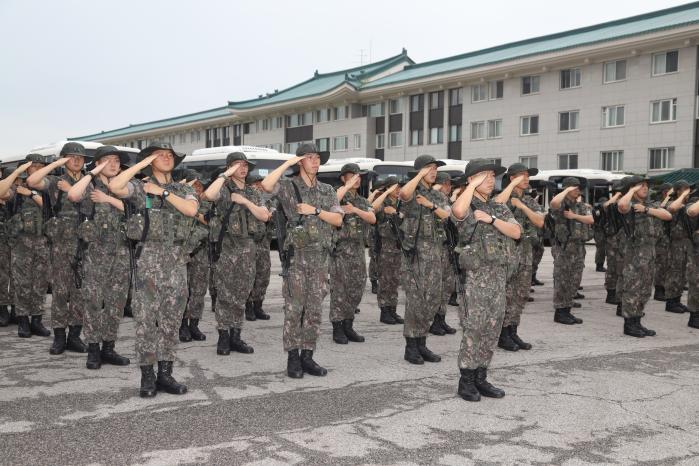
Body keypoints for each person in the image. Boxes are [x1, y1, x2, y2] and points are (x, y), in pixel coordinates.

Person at [109, 142, 198, 398]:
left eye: (170, 155)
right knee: (146, 321)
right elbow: (115, 187)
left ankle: (166, 375)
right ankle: (147, 377)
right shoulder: (139, 187)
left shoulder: (182, 188)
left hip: (177, 260)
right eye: (160, 155)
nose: (167, 158)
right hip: (149, 258)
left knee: (171, 320)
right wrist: (141, 166)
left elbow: (191, 209)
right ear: (149, 160)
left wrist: (163, 193)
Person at [261, 143, 343, 378]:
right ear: (300, 162)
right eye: (309, 157)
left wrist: (314, 211)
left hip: (321, 259)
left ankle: (308, 355)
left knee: (314, 310)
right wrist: (288, 163)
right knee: (294, 310)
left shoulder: (327, 190)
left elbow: (337, 220)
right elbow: (266, 186)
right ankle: (293, 358)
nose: (315, 161)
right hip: (297, 259)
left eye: (317, 157)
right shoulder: (289, 187)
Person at [451, 158, 521, 402]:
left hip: (499, 277)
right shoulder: (465, 205)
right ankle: (466, 380)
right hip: (475, 278)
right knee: (475, 328)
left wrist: (490, 219)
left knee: (492, 329)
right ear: (472, 179)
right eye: (485, 176)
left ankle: (481, 377)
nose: (492, 180)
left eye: (493, 176)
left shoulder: (498, 207)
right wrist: (471, 186)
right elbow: (458, 212)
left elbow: (516, 231)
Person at [66, 145, 132, 369]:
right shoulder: (89, 184)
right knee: (93, 302)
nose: (114, 164)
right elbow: (73, 194)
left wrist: (110, 199)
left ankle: (109, 348)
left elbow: (142, 209)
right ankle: (93, 349)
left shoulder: (125, 187)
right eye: (108, 160)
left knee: (116, 303)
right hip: (96, 255)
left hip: (121, 254)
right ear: (97, 163)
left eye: (116, 160)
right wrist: (92, 173)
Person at [203, 152, 270, 356]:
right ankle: (223, 336)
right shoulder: (223, 189)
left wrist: (245, 202)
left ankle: (235, 335)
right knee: (225, 293)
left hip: (248, 248)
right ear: (229, 167)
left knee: (242, 292)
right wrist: (225, 175)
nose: (243, 168)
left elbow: (264, 215)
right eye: (237, 165)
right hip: (227, 248)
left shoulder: (252, 192)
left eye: (245, 165)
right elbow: (208, 196)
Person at [27, 142, 90, 354]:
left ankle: (74, 335)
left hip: (85, 244)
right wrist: (57, 164)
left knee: (80, 293)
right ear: (63, 159)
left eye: (80, 157)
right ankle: (60, 337)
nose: (76, 160)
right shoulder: (55, 181)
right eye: (71, 156)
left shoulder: (90, 182)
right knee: (61, 292)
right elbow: (32, 181)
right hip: (62, 244)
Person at [398, 155, 451, 365]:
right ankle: (411, 346)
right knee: (416, 302)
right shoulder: (412, 192)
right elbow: (403, 194)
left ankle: (422, 342)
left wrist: (430, 205)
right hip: (415, 257)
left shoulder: (435, 196)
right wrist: (418, 175)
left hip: (435, 255)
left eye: (435, 168)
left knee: (431, 301)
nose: (433, 171)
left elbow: (448, 216)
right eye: (429, 168)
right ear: (419, 170)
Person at [0, 156, 52, 338]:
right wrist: (15, 171)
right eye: (33, 166)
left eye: (40, 166)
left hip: (41, 241)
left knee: (40, 283)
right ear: (26, 169)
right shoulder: (16, 189)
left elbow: (50, 209)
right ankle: (23, 321)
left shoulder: (47, 189)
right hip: (21, 244)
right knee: (22, 284)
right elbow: (1, 192)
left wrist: (31, 194)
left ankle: (36, 320)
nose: (36, 169)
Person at [494, 163, 544, 351]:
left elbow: (539, 221)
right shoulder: (503, 197)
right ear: (512, 177)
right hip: (507, 253)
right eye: (522, 175)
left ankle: (512, 331)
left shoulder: (529, 201)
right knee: (506, 295)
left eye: (527, 175)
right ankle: (502, 334)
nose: (526, 178)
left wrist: (521, 205)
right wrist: (511, 192)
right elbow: (497, 204)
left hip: (525, 252)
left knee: (520, 294)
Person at [616, 175, 671, 337]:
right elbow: (622, 205)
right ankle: (629, 325)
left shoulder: (650, 205)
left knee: (645, 290)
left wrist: (647, 210)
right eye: (642, 186)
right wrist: (632, 189)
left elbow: (668, 215)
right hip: (634, 255)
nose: (646, 188)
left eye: (647, 185)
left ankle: (637, 322)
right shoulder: (629, 205)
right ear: (632, 189)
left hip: (649, 254)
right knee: (632, 289)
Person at [330, 163, 376, 344]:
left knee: (356, 288)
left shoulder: (362, 201)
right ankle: (337, 327)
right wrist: (346, 188)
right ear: (343, 178)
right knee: (340, 290)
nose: (357, 179)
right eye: (352, 176)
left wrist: (356, 210)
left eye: (359, 176)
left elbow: (372, 218)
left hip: (357, 249)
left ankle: (348, 325)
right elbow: (330, 203)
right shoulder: (337, 195)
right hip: (341, 250)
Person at [549, 177, 593, 325]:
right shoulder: (561, 204)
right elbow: (554, 203)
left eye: (578, 188)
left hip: (579, 247)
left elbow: (590, 219)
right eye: (575, 188)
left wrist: (574, 216)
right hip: (565, 247)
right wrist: (566, 190)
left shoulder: (580, 206)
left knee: (574, 280)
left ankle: (567, 310)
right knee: (562, 280)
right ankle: (560, 312)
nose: (578, 190)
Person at [372, 176, 404, 325]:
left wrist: (396, 213)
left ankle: (393, 310)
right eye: (395, 187)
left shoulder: (401, 203)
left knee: (395, 281)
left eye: (399, 188)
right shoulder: (382, 203)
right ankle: (384, 311)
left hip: (398, 248)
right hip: (385, 248)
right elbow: (372, 208)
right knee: (385, 281)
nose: (398, 190)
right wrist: (386, 204)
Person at [430, 172, 457, 336]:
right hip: (436, 248)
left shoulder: (445, 200)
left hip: (447, 247)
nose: (449, 187)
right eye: (446, 184)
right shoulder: (433, 198)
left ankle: (441, 318)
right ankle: (434, 321)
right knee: (437, 286)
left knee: (447, 286)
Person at [245, 173, 273, 321]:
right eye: (255, 184)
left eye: (259, 184)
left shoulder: (266, 202)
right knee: (250, 275)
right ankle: (248, 306)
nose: (258, 187)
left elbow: (272, 218)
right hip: (249, 242)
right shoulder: (245, 202)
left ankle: (258, 305)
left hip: (263, 242)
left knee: (263, 274)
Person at [664, 181, 693, 313]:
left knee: (682, 274)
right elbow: (671, 209)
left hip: (686, 243)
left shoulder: (688, 205)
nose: (687, 192)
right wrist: (681, 195)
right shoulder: (672, 203)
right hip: (675, 243)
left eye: (688, 189)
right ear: (677, 192)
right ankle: (670, 302)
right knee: (674, 272)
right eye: (684, 190)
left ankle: (677, 299)